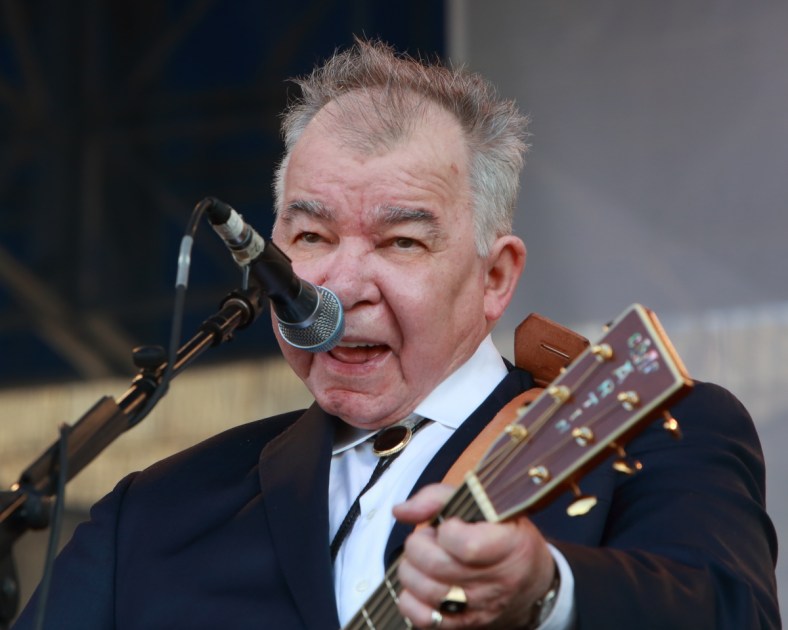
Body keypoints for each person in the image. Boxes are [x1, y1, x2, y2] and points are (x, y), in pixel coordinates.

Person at [13, 38, 780, 630]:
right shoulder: (152, 514)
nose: (342, 285)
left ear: (495, 276)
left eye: (401, 241)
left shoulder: (657, 432)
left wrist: (548, 595)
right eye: (311, 236)